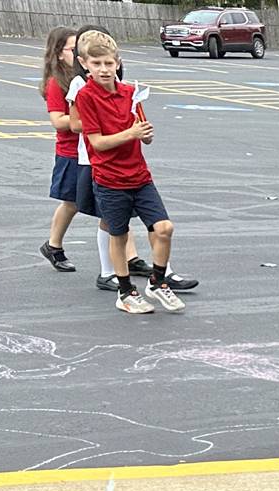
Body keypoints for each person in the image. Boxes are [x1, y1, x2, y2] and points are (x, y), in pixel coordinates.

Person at [65, 27, 195, 296]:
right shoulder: (84, 93)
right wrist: (130, 134)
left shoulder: (129, 92)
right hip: (104, 173)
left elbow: (141, 128)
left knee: (162, 227)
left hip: (138, 174)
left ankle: (160, 278)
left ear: (118, 62)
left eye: (109, 63)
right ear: (84, 64)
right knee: (116, 229)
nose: (103, 69)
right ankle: (117, 281)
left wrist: (144, 134)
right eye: (96, 64)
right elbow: (92, 138)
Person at [39, 28, 83, 271]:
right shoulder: (57, 83)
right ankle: (53, 245)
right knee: (71, 203)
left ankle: (129, 257)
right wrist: (85, 120)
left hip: (93, 150)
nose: (78, 54)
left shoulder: (84, 77)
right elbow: (58, 120)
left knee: (111, 205)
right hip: (71, 153)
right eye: (73, 49)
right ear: (58, 53)